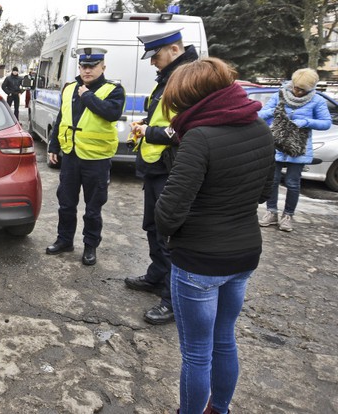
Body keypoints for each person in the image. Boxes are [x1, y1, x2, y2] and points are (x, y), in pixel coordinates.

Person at [154, 58, 275, 414]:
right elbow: (263, 193)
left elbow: (167, 215)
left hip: (199, 261)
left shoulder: (199, 137)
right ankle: (219, 409)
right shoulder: (260, 128)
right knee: (224, 340)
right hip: (244, 253)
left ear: (193, 98)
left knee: (196, 353)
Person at [124, 29, 198, 326]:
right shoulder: (170, 76)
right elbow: (165, 116)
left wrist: (148, 131)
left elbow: (185, 128)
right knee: (154, 227)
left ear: (175, 50)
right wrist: (147, 122)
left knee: (170, 235)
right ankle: (156, 276)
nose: (153, 62)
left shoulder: (187, 78)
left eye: (156, 56)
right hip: (156, 167)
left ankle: (171, 299)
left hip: (171, 168)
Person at [45, 48, 125, 265]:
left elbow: (111, 113)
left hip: (96, 159)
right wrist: (54, 146)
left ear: (103, 67)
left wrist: (87, 96)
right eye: (83, 66)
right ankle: (64, 240)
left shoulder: (114, 90)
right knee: (66, 203)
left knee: (93, 208)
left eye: (92, 66)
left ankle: (90, 246)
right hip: (71, 156)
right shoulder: (69, 88)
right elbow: (61, 118)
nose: (87, 70)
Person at [258, 69, 331, 232]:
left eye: (302, 90)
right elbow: (261, 115)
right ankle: (271, 212)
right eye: (295, 87)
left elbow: (326, 122)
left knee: (292, 183)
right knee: (272, 181)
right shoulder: (279, 95)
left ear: (310, 88)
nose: (297, 92)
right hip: (277, 144)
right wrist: (274, 111)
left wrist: (306, 121)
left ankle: (288, 215)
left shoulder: (317, 100)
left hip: (299, 147)